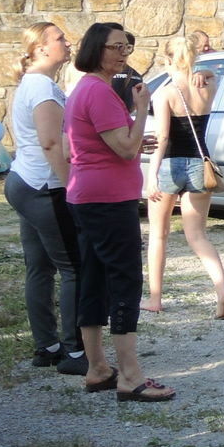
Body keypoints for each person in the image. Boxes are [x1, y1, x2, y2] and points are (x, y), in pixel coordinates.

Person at [65, 21, 174, 401]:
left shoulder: (90, 90)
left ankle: (98, 368)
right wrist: (142, 108)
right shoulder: (98, 91)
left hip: (90, 196)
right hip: (107, 201)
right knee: (124, 281)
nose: (123, 55)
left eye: (127, 48)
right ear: (95, 48)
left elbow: (100, 144)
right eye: (116, 47)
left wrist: (129, 132)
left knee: (94, 279)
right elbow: (126, 150)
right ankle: (130, 375)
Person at [5, 23, 89, 374]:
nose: (68, 43)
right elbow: (51, 142)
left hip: (25, 181)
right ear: (40, 48)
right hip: (44, 187)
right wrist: (72, 187)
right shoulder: (40, 85)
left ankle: (47, 346)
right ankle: (73, 354)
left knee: (39, 267)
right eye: (60, 39)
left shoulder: (36, 83)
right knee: (74, 268)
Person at [144, 34, 224, 319]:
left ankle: (155, 299)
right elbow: (213, 73)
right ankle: (222, 290)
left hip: (170, 164)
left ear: (167, 59)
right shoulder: (208, 85)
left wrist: (151, 176)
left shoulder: (164, 93)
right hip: (199, 163)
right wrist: (204, 72)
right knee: (197, 235)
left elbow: (163, 136)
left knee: (159, 234)